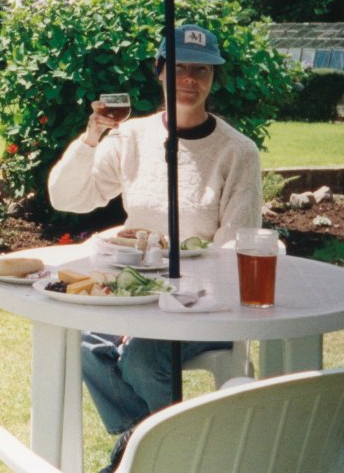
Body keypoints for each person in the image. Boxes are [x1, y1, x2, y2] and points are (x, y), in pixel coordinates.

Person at [46, 23, 263, 473]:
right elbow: (68, 198)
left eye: (201, 70)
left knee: (144, 358)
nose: (189, 79)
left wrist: (164, 304)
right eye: (179, 67)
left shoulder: (237, 152)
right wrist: (91, 140)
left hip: (207, 301)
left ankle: (164, 456)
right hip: (135, 289)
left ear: (214, 78)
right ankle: (146, 447)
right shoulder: (132, 138)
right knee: (85, 344)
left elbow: (234, 246)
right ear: (159, 72)